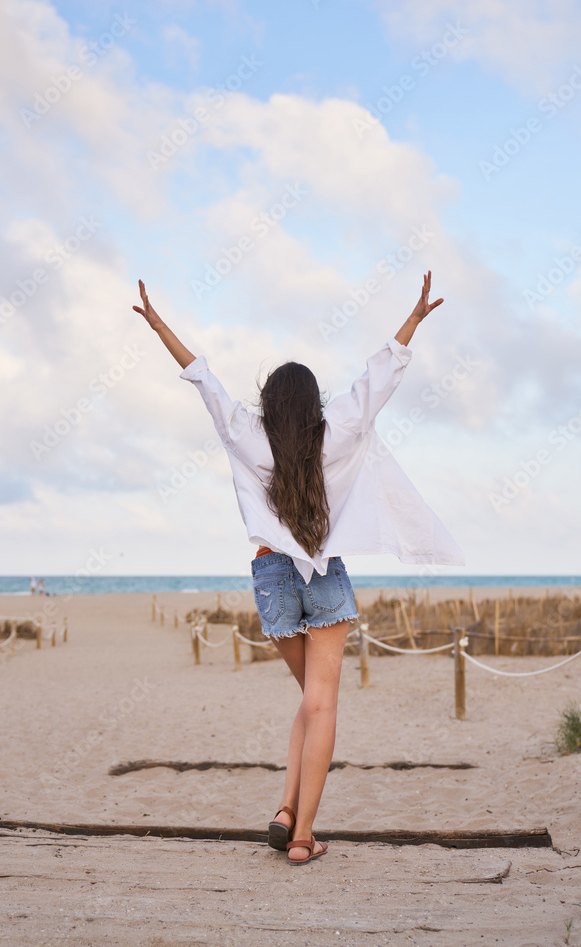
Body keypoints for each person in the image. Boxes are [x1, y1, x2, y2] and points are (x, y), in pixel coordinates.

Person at [133, 271, 464, 864]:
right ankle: (305, 836)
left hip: (272, 579)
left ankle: (286, 809)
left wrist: (160, 326)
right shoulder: (333, 432)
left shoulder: (246, 436)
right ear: (313, 404)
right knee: (322, 705)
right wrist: (413, 319)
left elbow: (202, 379)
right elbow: (376, 381)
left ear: (268, 402)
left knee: (309, 701)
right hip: (323, 575)